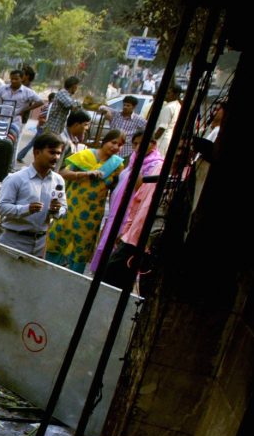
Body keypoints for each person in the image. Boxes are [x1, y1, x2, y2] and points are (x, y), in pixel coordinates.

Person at [44, 129, 124, 273]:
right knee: (58, 238)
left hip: (92, 214)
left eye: (120, 145)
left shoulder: (117, 165)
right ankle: (47, 270)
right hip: (71, 206)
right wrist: (85, 174)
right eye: (113, 142)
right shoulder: (85, 155)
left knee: (82, 245)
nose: (116, 147)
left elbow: (115, 191)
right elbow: (63, 173)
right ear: (105, 140)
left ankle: (74, 279)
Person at [95, 131, 164, 289]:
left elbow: (141, 191)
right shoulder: (133, 159)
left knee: (116, 268)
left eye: (143, 143)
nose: (138, 147)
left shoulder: (154, 164)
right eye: (136, 143)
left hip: (131, 220)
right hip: (119, 214)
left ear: (154, 144)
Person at [0, 132, 67, 258]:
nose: (56, 157)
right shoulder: (16, 178)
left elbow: (63, 208)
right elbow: (1, 208)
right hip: (14, 241)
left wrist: (56, 210)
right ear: (36, 152)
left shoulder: (58, 180)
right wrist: (26, 209)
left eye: (58, 153)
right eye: (52, 152)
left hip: (40, 243)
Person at [0, 69, 44, 139]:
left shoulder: (27, 91)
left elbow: (40, 102)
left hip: (15, 121)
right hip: (2, 119)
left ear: (21, 79)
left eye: (16, 79)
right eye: (12, 79)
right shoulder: (3, 88)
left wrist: (24, 110)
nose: (13, 81)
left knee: (13, 141)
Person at [156, 85, 181, 155]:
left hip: (161, 139)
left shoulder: (169, 107)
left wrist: (153, 138)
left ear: (175, 95)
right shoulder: (177, 105)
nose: (166, 95)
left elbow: (162, 127)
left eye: (168, 93)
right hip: (167, 139)